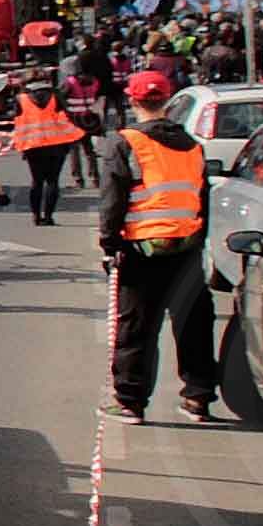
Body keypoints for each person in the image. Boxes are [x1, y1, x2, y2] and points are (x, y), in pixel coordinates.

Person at [95, 86, 215, 425]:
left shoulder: (125, 142)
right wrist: (198, 237)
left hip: (142, 249)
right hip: (186, 245)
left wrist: (109, 245)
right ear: (167, 103)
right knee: (194, 323)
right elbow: (201, 197)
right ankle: (198, 397)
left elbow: (113, 199)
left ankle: (131, 401)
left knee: (136, 326)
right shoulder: (192, 145)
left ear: (134, 102)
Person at [5, 68, 85, 227]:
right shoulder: (56, 95)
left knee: (37, 181)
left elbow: (15, 120)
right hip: (57, 144)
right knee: (53, 181)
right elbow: (67, 117)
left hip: (32, 145)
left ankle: (35, 216)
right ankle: (48, 217)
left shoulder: (21, 99)